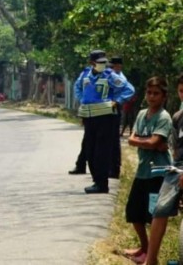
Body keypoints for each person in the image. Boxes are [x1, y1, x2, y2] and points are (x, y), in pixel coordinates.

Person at [122, 76, 172, 265]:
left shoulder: (164, 117)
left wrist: (145, 142)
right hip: (142, 171)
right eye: (149, 92)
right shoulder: (142, 114)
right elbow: (133, 138)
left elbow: (153, 142)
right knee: (134, 212)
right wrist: (147, 142)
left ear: (164, 96)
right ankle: (144, 248)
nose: (152, 97)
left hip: (158, 174)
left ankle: (151, 256)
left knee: (154, 216)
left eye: (156, 93)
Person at [73, 49, 134, 193]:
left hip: (106, 117)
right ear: (92, 62)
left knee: (102, 151)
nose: (102, 65)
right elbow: (77, 87)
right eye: (99, 62)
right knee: (90, 150)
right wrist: (82, 99)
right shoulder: (85, 75)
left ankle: (102, 183)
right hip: (89, 117)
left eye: (104, 62)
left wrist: (117, 101)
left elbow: (129, 89)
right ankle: (97, 180)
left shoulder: (110, 75)